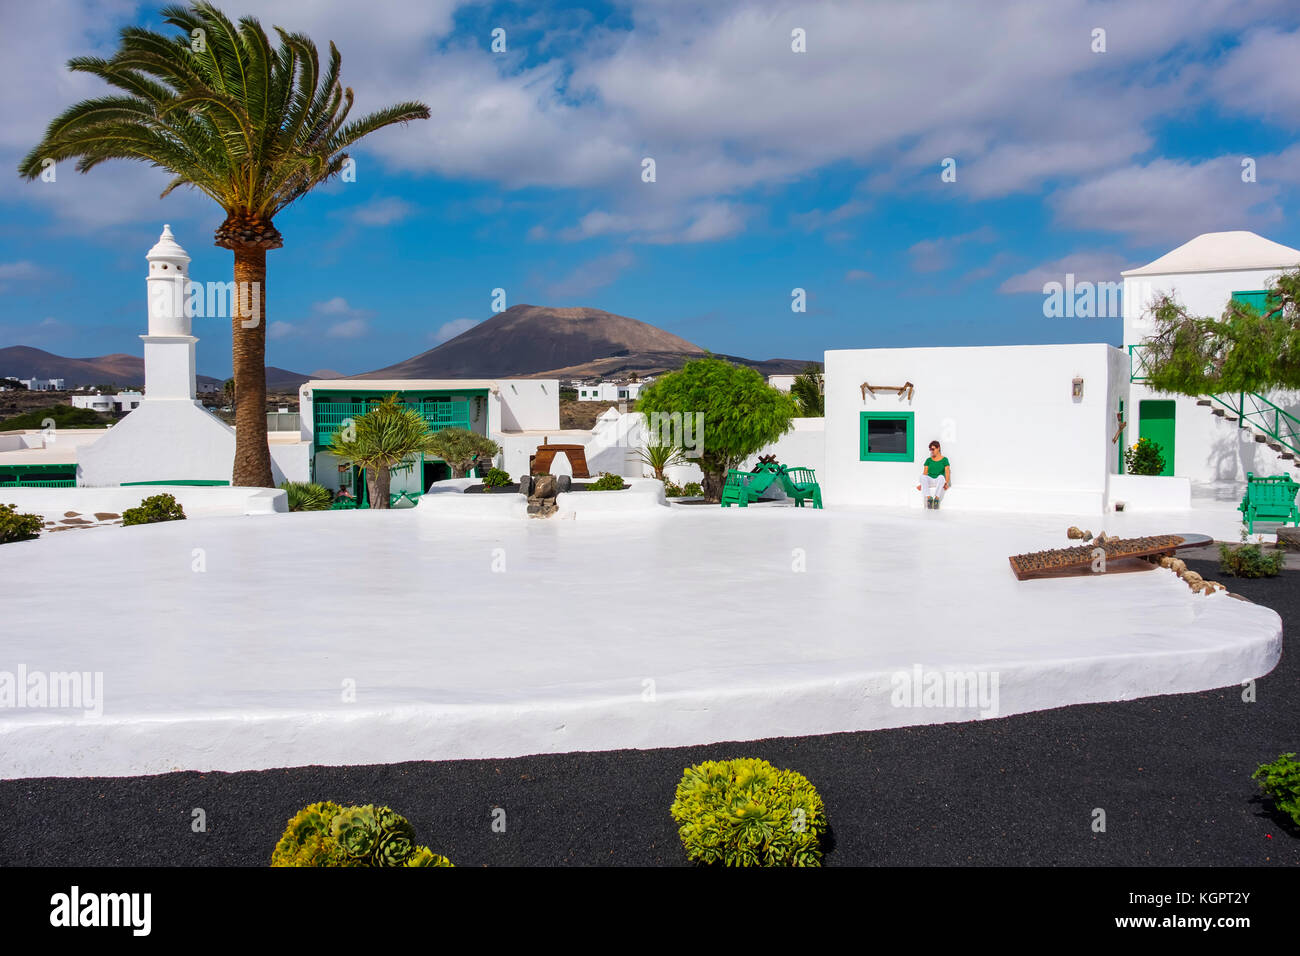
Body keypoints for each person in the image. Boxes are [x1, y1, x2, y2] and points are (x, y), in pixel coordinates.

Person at [916, 440, 951, 509]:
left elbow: (947, 473)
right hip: (930, 480)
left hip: (939, 481)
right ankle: (929, 498)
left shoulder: (945, 460)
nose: (931, 451)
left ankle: (937, 499)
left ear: (938, 448)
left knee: (941, 477)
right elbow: (925, 473)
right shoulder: (928, 460)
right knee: (922, 477)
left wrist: (946, 483)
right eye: (930, 449)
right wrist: (922, 484)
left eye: (933, 449)